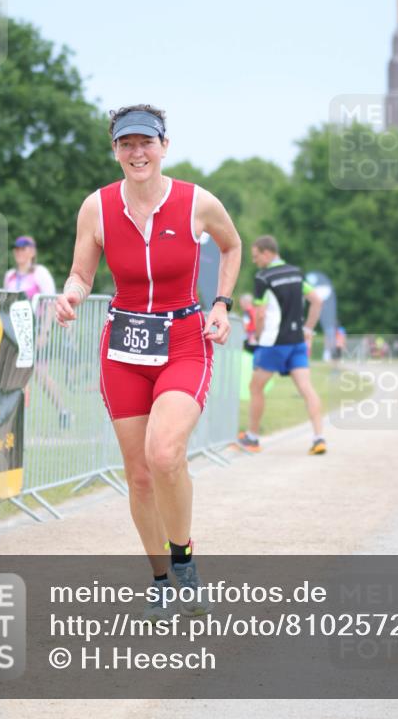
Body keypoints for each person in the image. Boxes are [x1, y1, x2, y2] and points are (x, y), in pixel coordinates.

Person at [55, 104, 241, 618]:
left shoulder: (196, 202)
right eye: (126, 144)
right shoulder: (96, 207)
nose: (137, 153)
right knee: (138, 474)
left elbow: (232, 245)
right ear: (115, 150)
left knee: (164, 454)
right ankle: (161, 577)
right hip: (125, 346)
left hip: (184, 339)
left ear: (163, 146)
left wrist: (221, 303)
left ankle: (183, 559)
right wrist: (70, 295)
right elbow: (80, 273)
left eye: (146, 143)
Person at [237, 235, 326, 455]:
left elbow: (260, 314)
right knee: (307, 389)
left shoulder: (263, 277)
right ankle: (319, 438)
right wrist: (307, 329)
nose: (255, 261)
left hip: (273, 343)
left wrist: (257, 337)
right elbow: (317, 300)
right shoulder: (296, 273)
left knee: (255, 388)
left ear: (267, 253)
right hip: (296, 341)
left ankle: (252, 438)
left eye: (256, 257)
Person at [4, 236, 68, 426]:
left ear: (32, 252)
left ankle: (63, 411)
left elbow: (50, 303)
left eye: (23, 249)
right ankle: (14, 420)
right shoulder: (10, 276)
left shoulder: (40, 273)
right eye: (16, 249)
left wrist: (45, 333)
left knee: (40, 375)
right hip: (13, 330)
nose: (19, 253)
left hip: (35, 330)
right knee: (12, 375)